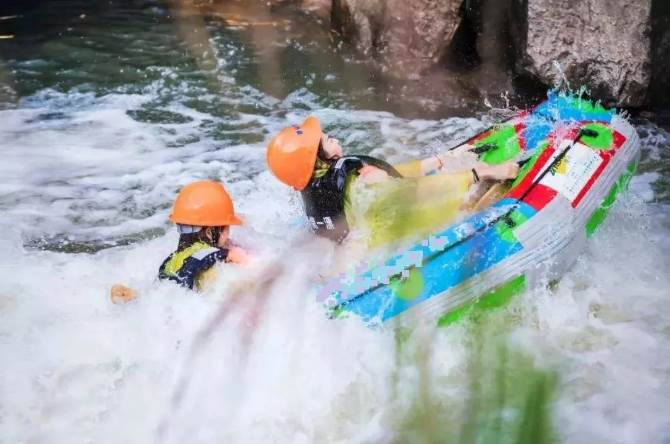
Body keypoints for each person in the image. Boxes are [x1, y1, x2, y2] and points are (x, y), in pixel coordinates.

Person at [265, 116, 519, 244]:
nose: (337, 140)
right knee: (466, 200)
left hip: (372, 240)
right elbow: (417, 192)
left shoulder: (318, 191)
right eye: (329, 140)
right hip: (400, 236)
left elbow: (395, 175)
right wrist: (480, 173)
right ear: (317, 160)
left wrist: (441, 160)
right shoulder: (362, 185)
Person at [110, 181, 248, 304]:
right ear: (209, 232)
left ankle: (134, 296)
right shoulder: (215, 260)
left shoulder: (176, 258)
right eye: (226, 228)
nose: (228, 233)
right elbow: (244, 262)